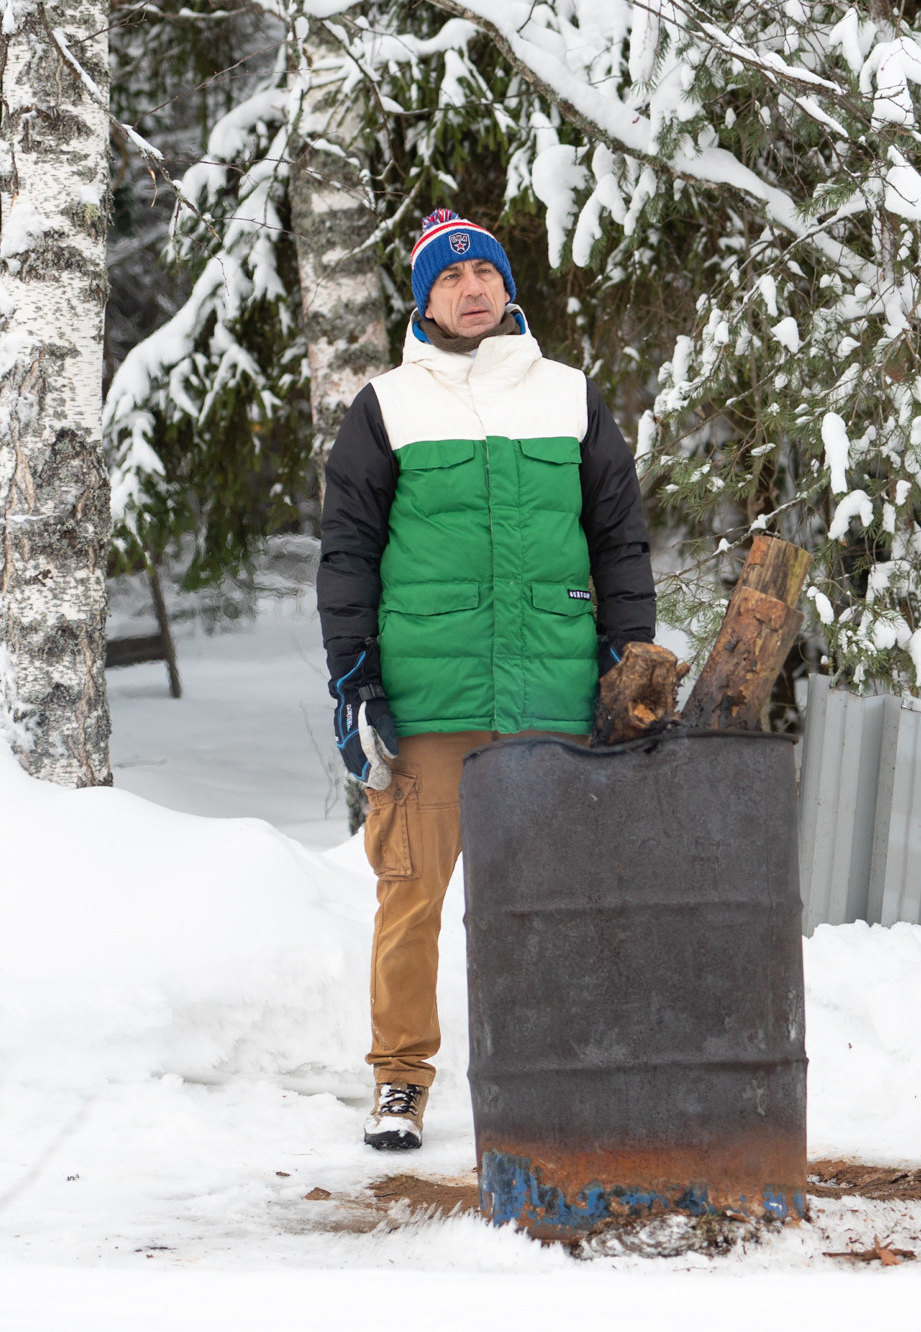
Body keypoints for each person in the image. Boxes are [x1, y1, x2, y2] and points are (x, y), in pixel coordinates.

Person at [316, 209, 656, 1150]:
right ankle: (399, 1082)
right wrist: (355, 680)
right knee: (411, 898)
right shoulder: (387, 406)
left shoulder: (571, 398)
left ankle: (562, 1071)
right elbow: (348, 553)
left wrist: (630, 659)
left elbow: (619, 542)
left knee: (560, 900)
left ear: (508, 287)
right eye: (451, 278)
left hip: (551, 702)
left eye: (486, 274)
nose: (472, 289)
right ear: (425, 299)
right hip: (431, 702)